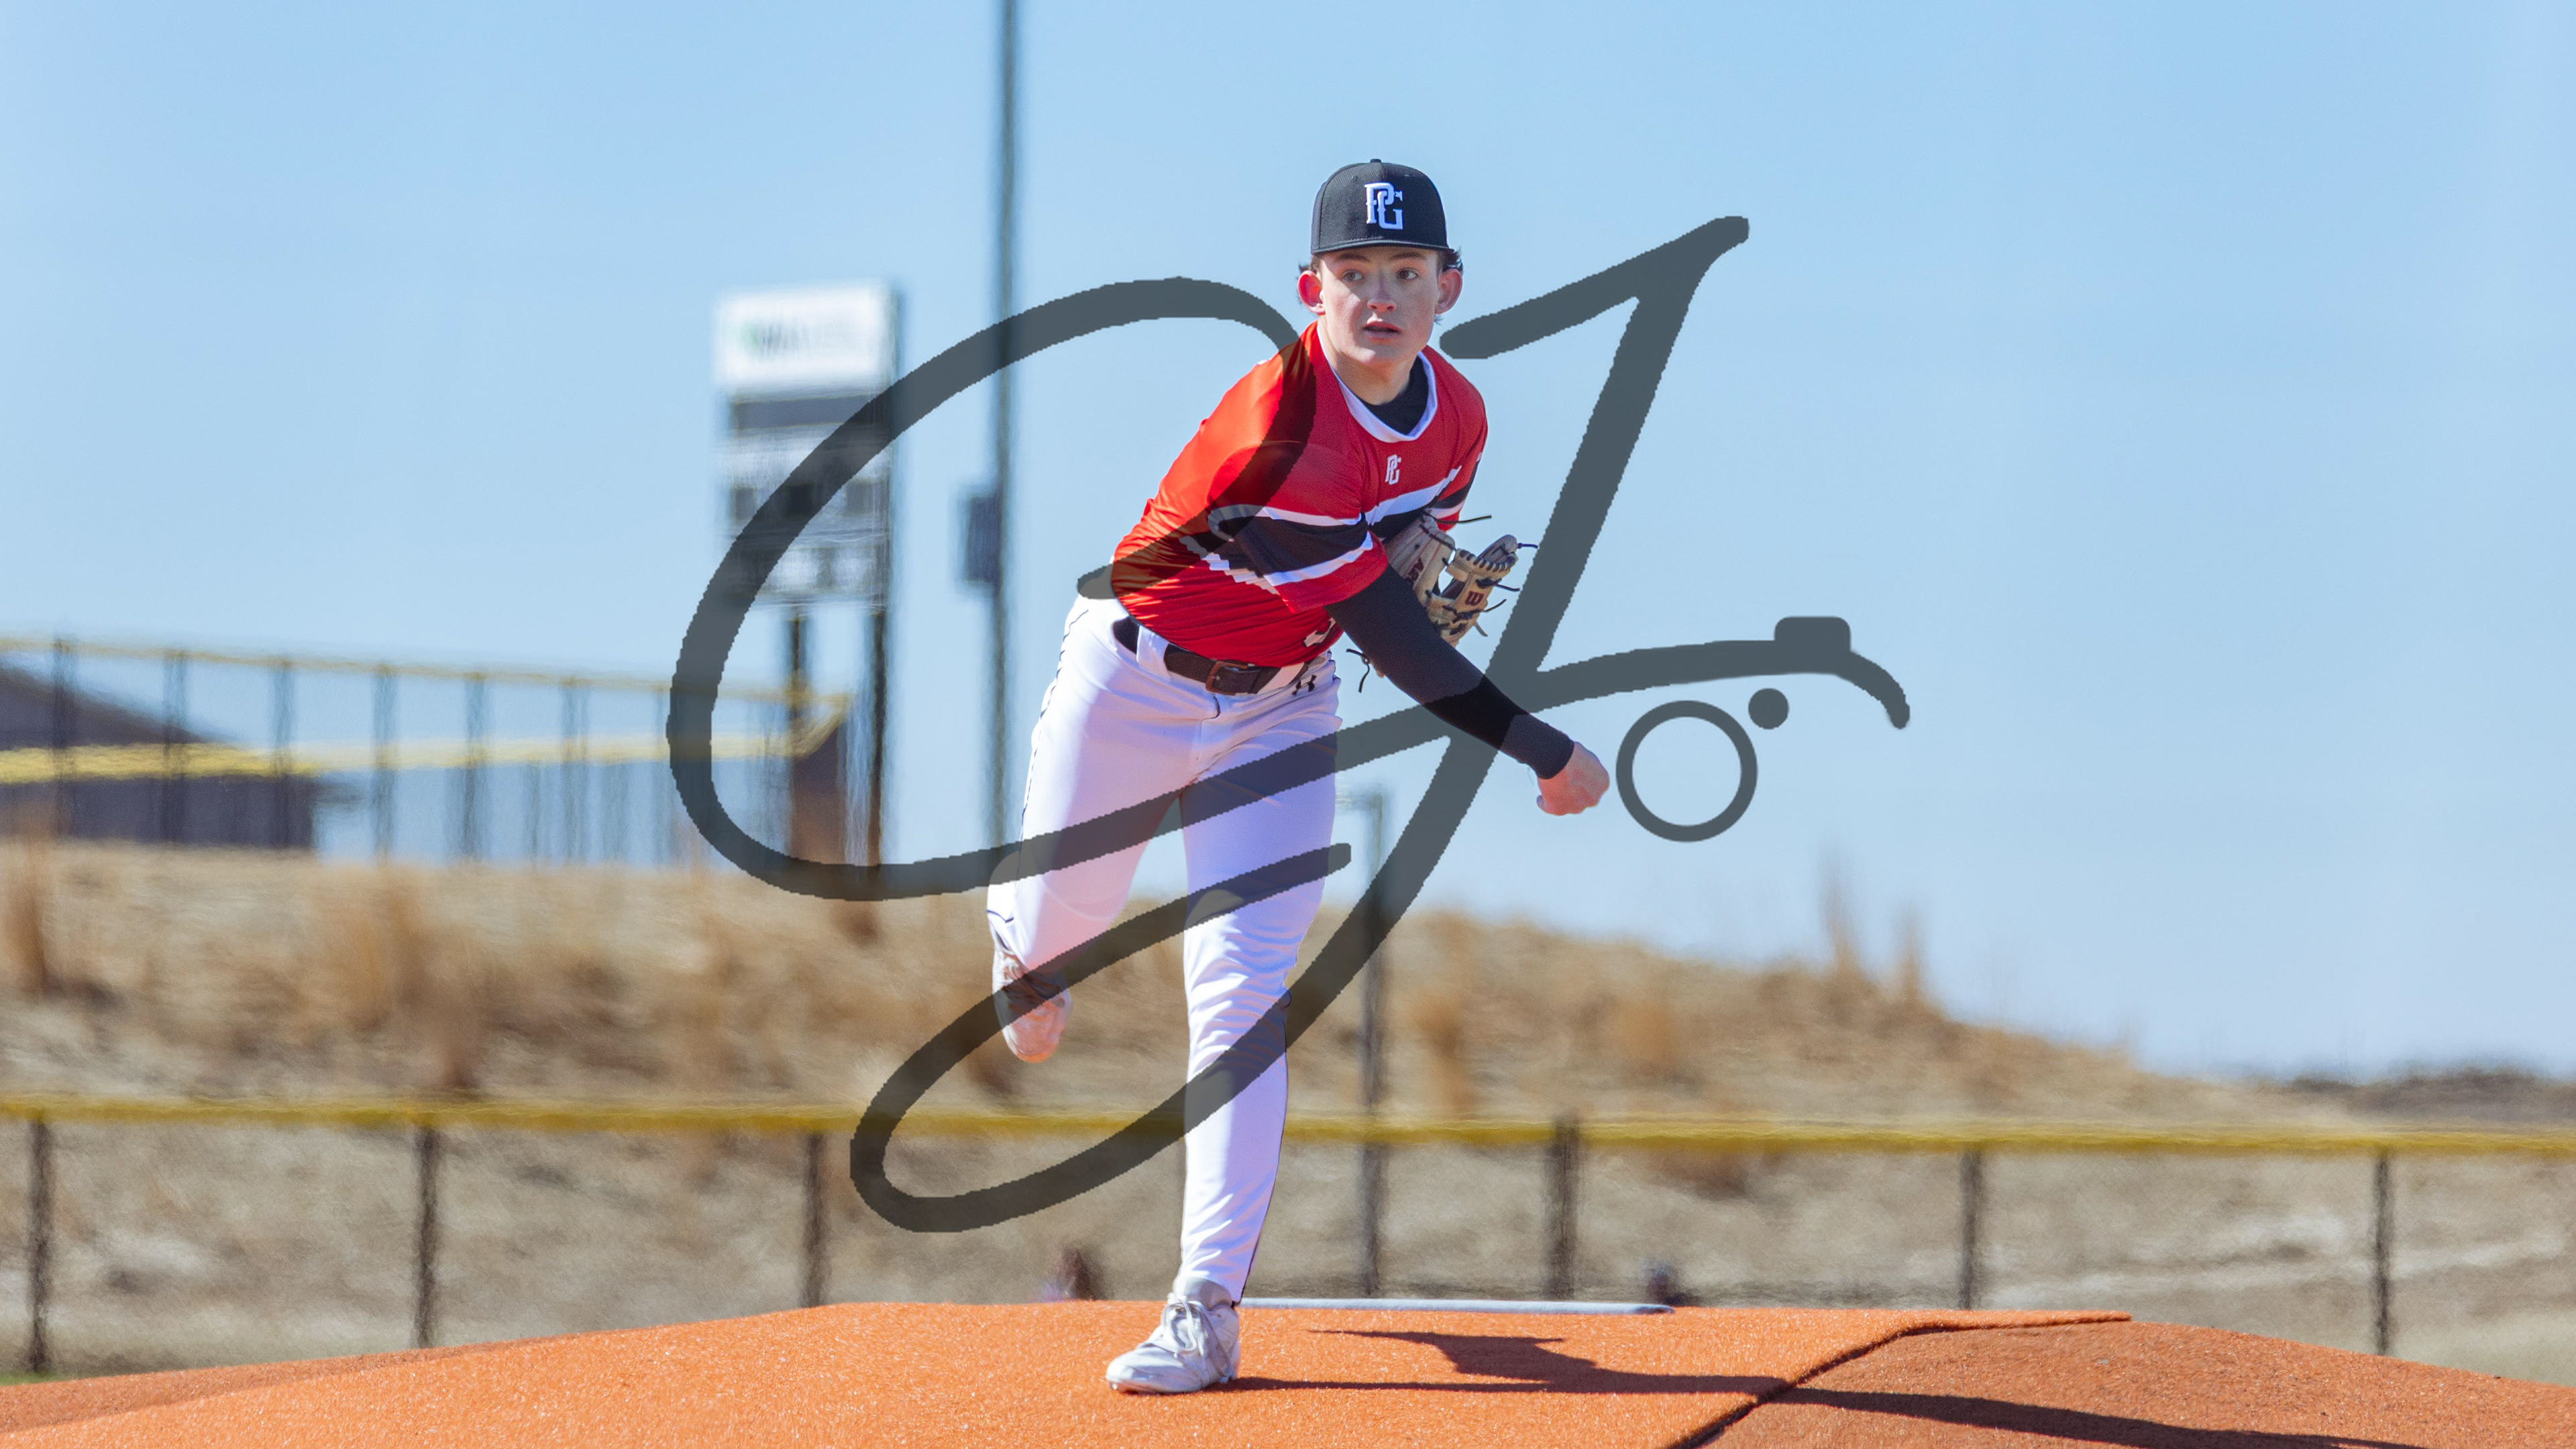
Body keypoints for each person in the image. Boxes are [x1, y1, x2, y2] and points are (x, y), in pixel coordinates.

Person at [985, 160, 1611, 1395]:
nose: (1380, 295)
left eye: (1405, 271)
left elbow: (1400, 563)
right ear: (1309, 288)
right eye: (1354, 272)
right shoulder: (1280, 426)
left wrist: (1410, 562)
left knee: (1243, 989)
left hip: (1282, 706)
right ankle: (1024, 945)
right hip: (1136, 682)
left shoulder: (1460, 418)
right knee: (1065, 919)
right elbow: (1400, 641)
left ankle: (1204, 1308)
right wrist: (1546, 752)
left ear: (1448, 287)